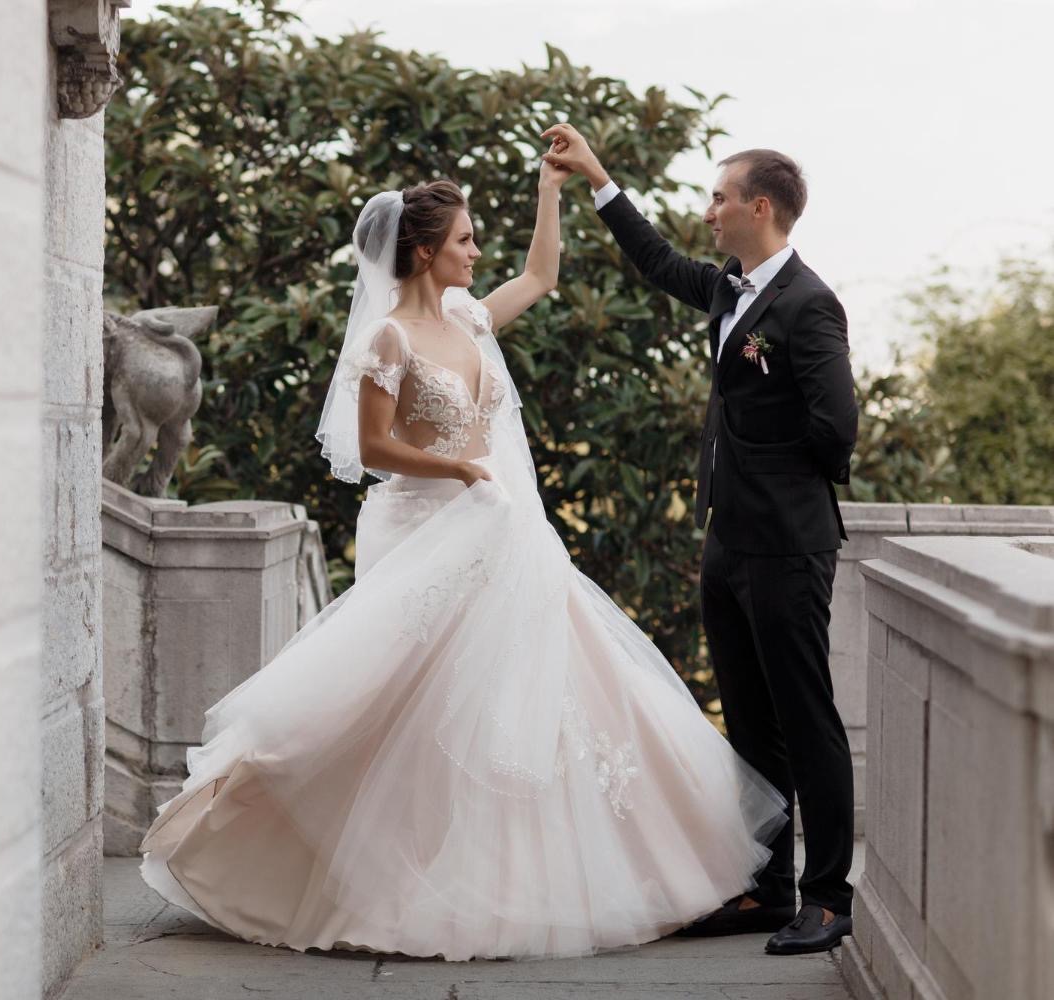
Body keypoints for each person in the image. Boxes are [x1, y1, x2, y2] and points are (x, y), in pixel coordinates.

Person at [137, 141, 789, 962]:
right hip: (431, 533)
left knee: (537, 697)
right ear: (423, 252)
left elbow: (541, 277)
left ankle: (543, 873)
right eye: (465, 242)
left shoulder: (467, 319)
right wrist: (455, 465)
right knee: (405, 707)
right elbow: (374, 447)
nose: (477, 254)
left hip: (501, 533)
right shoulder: (387, 341)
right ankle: (340, 860)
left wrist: (551, 190)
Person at [542, 123, 858, 955]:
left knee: (805, 718)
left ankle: (827, 896)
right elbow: (652, 261)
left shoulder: (809, 304)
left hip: (789, 543)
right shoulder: (728, 287)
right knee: (748, 723)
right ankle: (765, 889)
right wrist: (597, 175)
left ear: (760, 207)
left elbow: (837, 431)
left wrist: (756, 465)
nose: (708, 210)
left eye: (719, 197)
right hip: (728, 543)